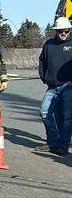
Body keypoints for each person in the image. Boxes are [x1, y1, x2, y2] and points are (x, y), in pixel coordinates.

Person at [35, 16, 72, 156]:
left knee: (67, 118)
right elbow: (42, 61)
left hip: (68, 87)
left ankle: (63, 146)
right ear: (56, 31)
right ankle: (53, 142)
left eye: (66, 31)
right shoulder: (49, 44)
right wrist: (44, 77)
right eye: (60, 31)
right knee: (44, 112)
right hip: (52, 87)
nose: (63, 33)